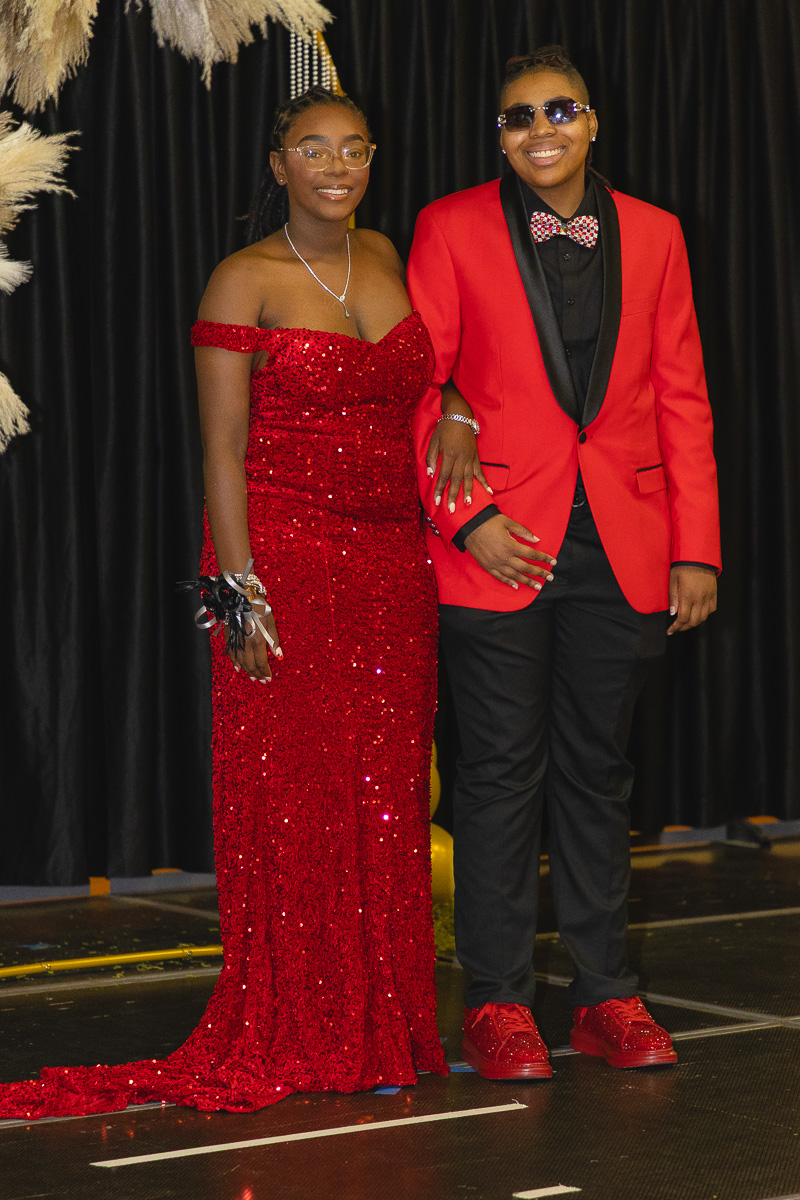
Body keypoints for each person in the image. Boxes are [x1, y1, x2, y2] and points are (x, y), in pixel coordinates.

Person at [0, 86, 448, 1119]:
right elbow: (218, 454)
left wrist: (459, 413)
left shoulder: (391, 257)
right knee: (292, 803)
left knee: (382, 803)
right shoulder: (240, 277)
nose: (334, 165)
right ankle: (302, 1023)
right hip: (281, 559)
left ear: (371, 157)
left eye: (352, 147)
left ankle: (381, 1025)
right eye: (311, 148)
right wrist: (235, 600)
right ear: (277, 162)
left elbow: (442, 373)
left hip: (393, 566)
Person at [407, 46, 720, 1080]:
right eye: (515, 117)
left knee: (597, 775)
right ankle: (497, 1005)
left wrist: (694, 548)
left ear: (592, 122)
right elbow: (421, 387)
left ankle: (605, 998)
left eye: (558, 110)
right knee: (497, 777)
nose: (537, 128)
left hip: (625, 545)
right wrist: (467, 518)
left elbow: (680, 396)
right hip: (499, 539)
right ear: (496, 137)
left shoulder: (660, 234)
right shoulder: (448, 228)